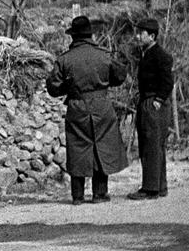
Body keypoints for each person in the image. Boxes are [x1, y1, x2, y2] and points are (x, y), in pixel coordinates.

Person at [46, 16, 129, 205]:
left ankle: (77, 196)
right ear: (90, 34)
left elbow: (53, 88)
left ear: (73, 37)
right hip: (102, 105)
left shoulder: (65, 59)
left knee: (78, 148)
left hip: (77, 106)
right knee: (102, 145)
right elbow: (120, 75)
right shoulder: (104, 54)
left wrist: (69, 88)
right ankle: (100, 194)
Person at [128, 19, 175, 200]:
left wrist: (158, 100)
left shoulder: (160, 55)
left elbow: (168, 81)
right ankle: (159, 186)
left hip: (154, 105)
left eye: (142, 33)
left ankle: (151, 189)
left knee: (152, 146)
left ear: (152, 36)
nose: (138, 36)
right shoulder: (147, 54)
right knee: (151, 146)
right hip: (148, 102)